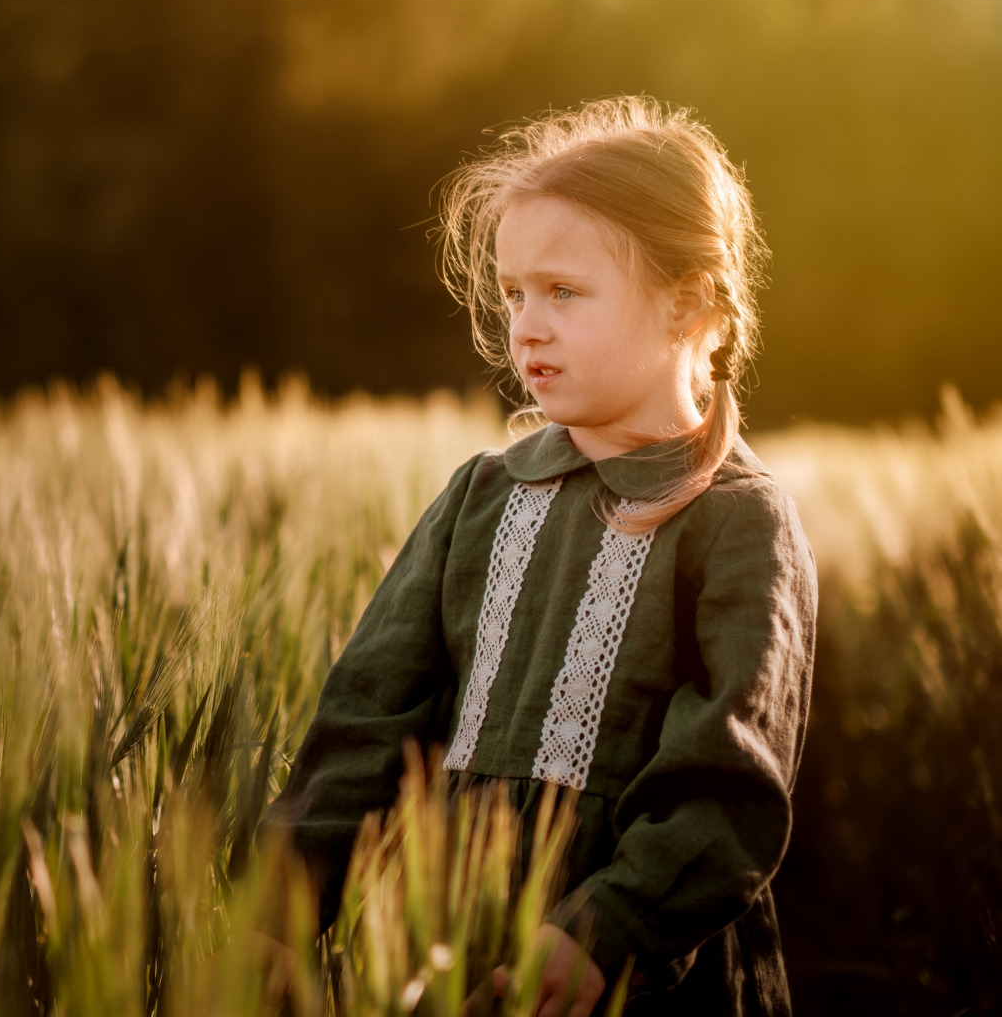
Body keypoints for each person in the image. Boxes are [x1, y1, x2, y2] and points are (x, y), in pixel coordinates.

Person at [259, 97, 817, 1015]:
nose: (525, 325)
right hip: (449, 946)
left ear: (689, 306)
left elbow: (729, 785)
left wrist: (604, 932)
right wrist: (279, 910)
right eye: (513, 293)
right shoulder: (482, 495)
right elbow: (362, 722)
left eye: (563, 292)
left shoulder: (736, 523)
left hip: (638, 973)